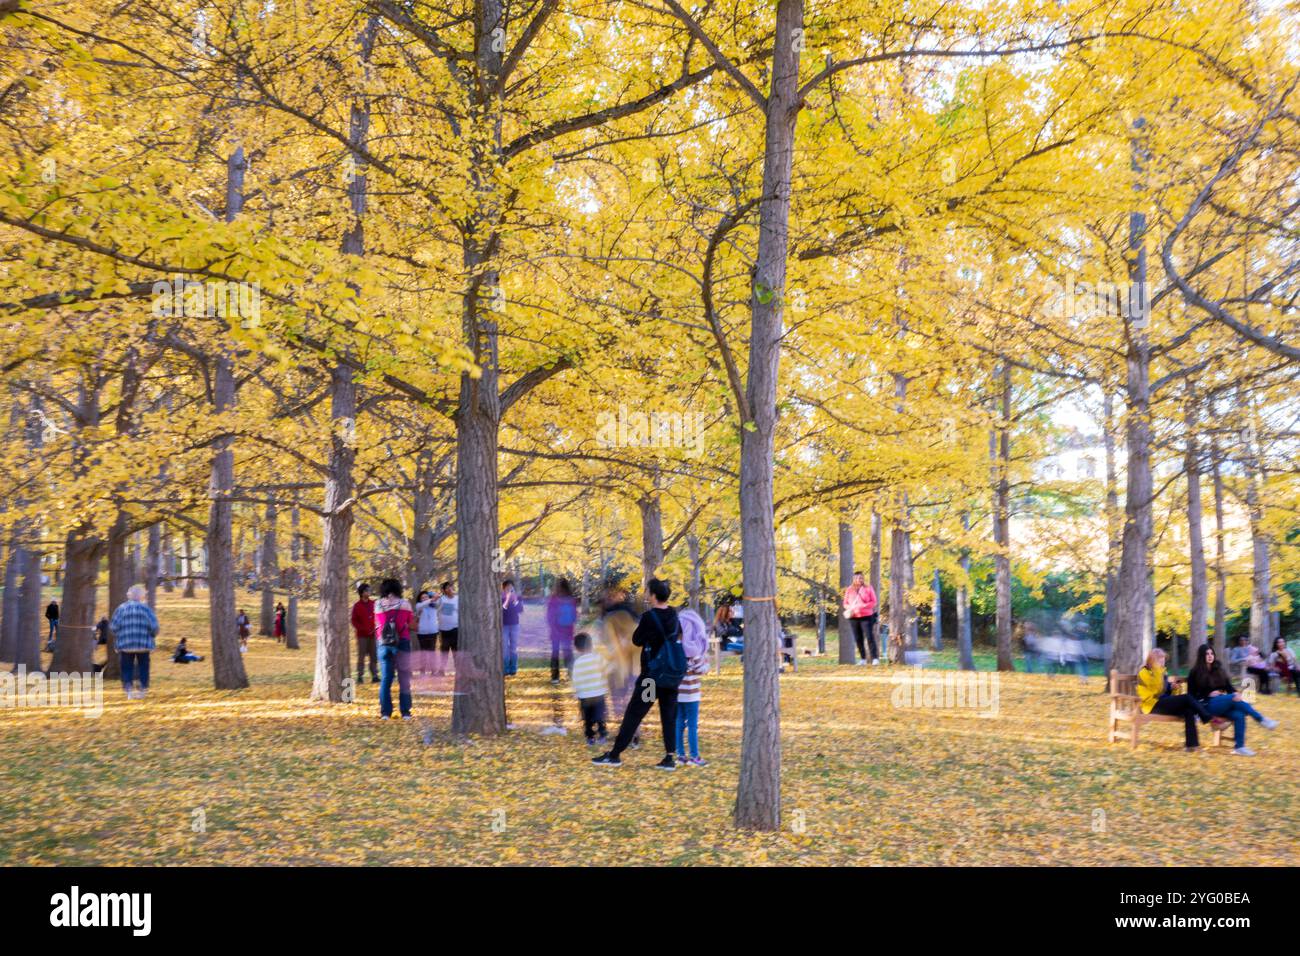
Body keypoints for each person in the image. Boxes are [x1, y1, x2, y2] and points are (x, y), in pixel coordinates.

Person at [592, 578, 685, 771]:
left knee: (635, 713)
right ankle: (669, 757)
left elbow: (637, 639)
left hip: (651, 679)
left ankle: (615, 754)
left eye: (648, 592)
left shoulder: (649, 617)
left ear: (653, 595)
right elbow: (678, 636)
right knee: (668, 715)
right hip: (670, 676)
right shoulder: (675, 615)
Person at [1187, 644, 1279, 757]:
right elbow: (1190, 695)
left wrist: (1235, 693)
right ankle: (1261, 719)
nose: (1210, 656)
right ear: (1202, 656)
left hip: (1222, 703)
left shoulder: (1218, 669)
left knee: (1238, 714)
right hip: (1206, 705)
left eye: (1211, 653)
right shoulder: (1195, 672)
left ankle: (1239, 747)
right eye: (1207, 654)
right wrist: (1208, 694)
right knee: (1233, 699)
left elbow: (1229, 687)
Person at [1136, 648, 1210, 752]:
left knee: (1188, 710)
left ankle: (1192, 746)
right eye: (1159, 658)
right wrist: (1159, 672)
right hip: (1151, 705)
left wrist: (1172, 688)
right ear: (1152, 659)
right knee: (1187, 697)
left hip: (1162, 702)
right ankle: (1205, 716)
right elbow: (1156, 691)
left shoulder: (1161, 672)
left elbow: (1165, 692)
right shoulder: (1144, 672)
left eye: (1163, 658)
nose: (1162, 660)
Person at [110, 584, 159, 700]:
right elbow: (155, 627)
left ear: (129, 595)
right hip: (143, 644)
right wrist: (151, 636)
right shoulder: (146, 609)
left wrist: (119, 635)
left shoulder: (121, 608)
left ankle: (129, 690)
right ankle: (142, 689)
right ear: (141, 596)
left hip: (125, 644)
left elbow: (113, 627)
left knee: (126, 667)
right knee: (143, 666)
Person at [675, 608, 711, 766]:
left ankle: (680, 755)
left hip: (677, 693)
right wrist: (706, 664)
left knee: (678, 723)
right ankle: (695, 756)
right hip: (691, 694)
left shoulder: (675, 648)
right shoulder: (693, 651)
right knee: (692, 725)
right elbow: (701, 670)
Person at [374, 578, 414, 720]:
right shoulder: (405, 604)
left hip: (383, 643)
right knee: (404, 679)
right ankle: (405, 712)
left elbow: (377, 623)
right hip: (402, 641)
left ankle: (385, 712)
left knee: (385, 679)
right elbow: (410, 622)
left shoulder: (377, 604)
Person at [571, 631, 608, 745]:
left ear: (577, 648)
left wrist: (576, 691)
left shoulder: (577, 662)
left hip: (584, 695)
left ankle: (590, 737)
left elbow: (576, 678)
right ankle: (602, 734)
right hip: (598, 693)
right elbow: (605, 671)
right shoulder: (599, 658)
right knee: (600, 715)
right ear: (591, 645)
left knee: (587, 718)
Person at [842, 571, 879, 665]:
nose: (859, 580)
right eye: (857, 578)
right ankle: (863, 659)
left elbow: (874, 602)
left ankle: (875, 658)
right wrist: (849, 608)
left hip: (866, 616)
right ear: (853, 579)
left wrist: (863, 606)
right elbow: (845, 603)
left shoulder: (868, 588)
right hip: (853, 617)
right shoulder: (849, 589)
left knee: (869, 637)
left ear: (863, 579)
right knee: (858, 638)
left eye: (861, 578)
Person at [546, 578, 577, 684]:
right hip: (568, 630)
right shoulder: (571, 599)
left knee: (555, 654)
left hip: (556, 631)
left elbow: (549, 616)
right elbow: (575, 616)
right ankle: (572, 675)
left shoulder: (553, 599)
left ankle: (555, 678)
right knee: (568, 653)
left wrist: (552, 627)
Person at [351, 582, 379, 684]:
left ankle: (375, 675)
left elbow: (378, 617)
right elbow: (354, 621)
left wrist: (376, 628)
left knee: (373, 656)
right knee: (361, 656)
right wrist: (362, 629)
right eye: (367, 590)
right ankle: (360, 676)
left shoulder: (373, 604)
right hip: (362, 635)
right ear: (362, 593)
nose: (369, 592)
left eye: (369, 590)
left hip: (373, 634)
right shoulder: (357, 606)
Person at [434, 581, 458, 676]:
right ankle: (441, 671)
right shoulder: (441, 599)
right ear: (444, 590)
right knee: (444, 651)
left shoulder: (458, 598)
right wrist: (435, 598)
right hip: (444, 630)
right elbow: (434, 607)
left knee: (456, 650)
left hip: (456, 628)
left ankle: (458, 670)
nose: (450, 589)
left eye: (451, 587)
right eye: (447, 587)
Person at [414, 589, 439, 676]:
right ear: (420, 600)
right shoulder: (419, 605)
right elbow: (424, 604)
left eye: (426, 597)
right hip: (422, 633)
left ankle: (433, 671)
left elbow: (438, 600)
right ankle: (422, 672)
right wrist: (431, 599)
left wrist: (433, 595)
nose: (424, 599)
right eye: (422, 597)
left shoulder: (434, 605)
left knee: (432, 652)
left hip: (433, 631)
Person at [502, 579, 523, 676]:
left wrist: (514, 600)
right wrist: (507, 599)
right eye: (507, 588)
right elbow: (502, 610)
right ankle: (505, 669)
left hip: (515, 625)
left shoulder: (518, 598)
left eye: (511, 588)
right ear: (504, 589)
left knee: (513, 648)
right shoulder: (501, 598)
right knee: (505, 648)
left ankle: (513, 669)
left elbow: (520, 610)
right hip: (504, 625)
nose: (509, 590)